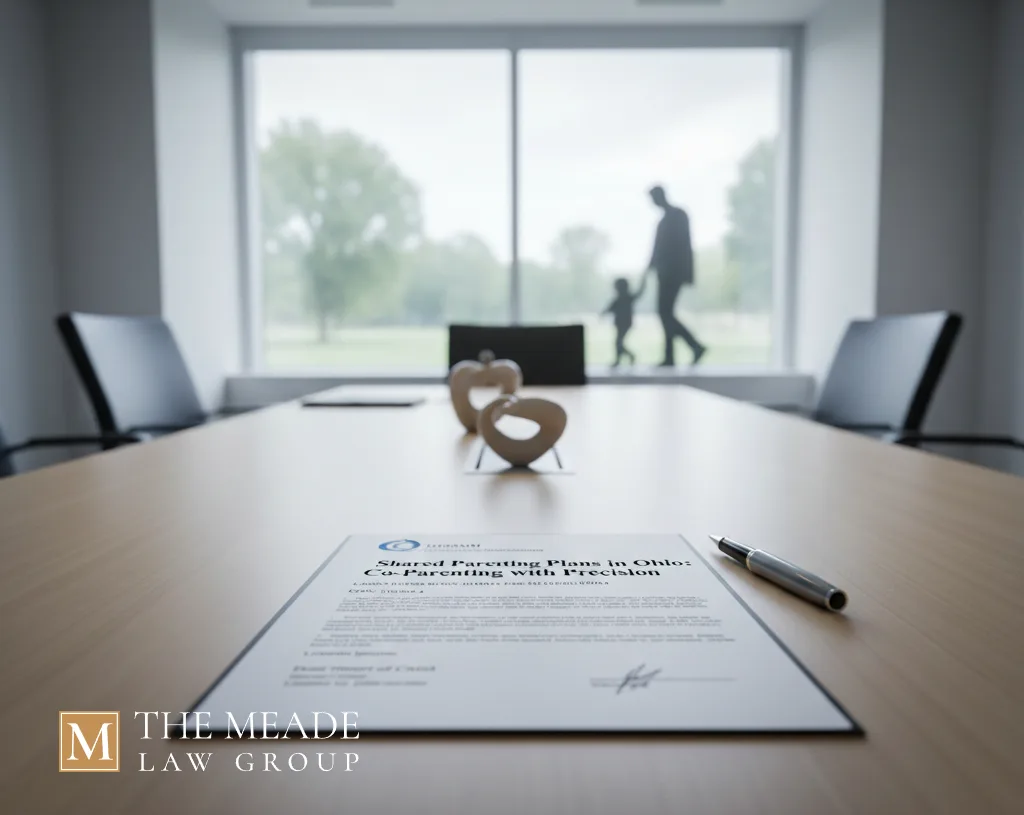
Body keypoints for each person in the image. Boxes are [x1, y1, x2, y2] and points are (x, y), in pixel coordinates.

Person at [646, 185, 706, 366]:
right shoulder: (665, 220)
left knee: (665, 313)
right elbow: (657, 249)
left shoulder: (677, 216)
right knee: (665, 313)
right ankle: (675, 353)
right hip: (665, 273)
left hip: (673, 273)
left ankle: (690, 347)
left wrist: (687, 273)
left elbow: (684, 246)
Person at [603, 274, 647, 367]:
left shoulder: (622, 299)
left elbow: (608, 309)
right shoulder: (625, 299)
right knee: (618, 342)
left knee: (618, 342)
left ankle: (625, 357)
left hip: (624, 324)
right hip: (623, 323)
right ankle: (623, 358)